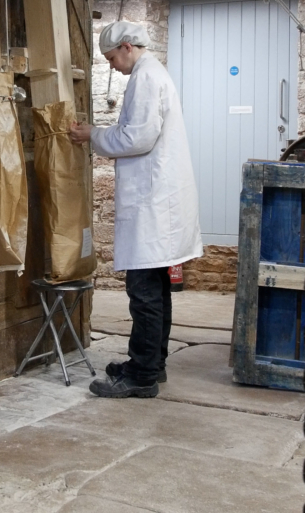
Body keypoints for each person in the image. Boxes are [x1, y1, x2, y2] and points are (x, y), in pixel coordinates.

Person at [68, 21, 202, 399]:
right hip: (158, 200)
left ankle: (142, 375)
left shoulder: (145, 77)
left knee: (143, 291)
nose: (111, 65)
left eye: (111, 58)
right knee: (155, 289)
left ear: (127, 47)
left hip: (153, 204)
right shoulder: (152, 74)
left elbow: (136, 138)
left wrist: (92, 134)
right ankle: (151, 363)